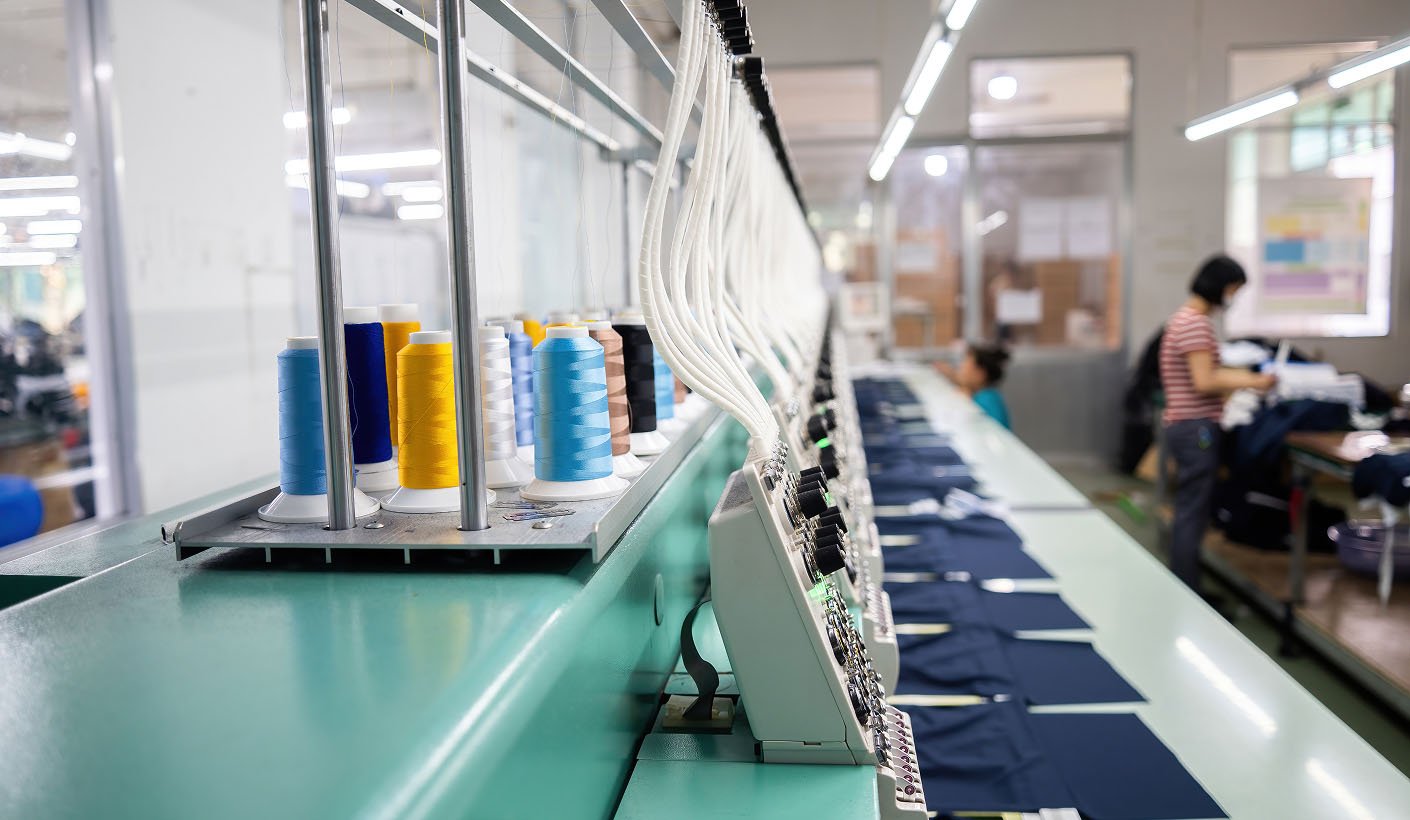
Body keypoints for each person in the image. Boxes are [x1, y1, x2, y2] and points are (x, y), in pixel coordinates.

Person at [1159, 255, 1275, 591]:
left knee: (1190, 509)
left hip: (1186, 426)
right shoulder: (1195, 324)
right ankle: (1187, 588)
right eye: (1234, 290)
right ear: (1222, 287)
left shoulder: (1182, 319)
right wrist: (1254, 381)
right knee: (1192, 512)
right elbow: (1205, 381)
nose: (1233, 298)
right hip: (1196, 428)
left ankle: (1186, 583)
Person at [940, 343, 1013, 429]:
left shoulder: (985, 400)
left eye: (965, 367)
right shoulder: (988, 395)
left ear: (980, 374)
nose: (960, 371)